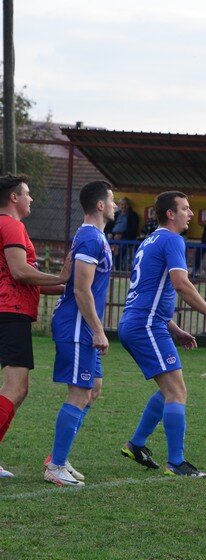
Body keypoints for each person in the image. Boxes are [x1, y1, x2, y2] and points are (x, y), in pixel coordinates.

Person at [118, 191, 206, 477]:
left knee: (169, 389)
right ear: (170, 214)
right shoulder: (172, 240)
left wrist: (174, 328)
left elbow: (150, 292)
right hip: (145, 325)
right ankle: (177, 462)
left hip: (143, 322)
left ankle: (136, 445)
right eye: (185, 208)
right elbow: (180, 283)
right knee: (177, 391)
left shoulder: (150, 240)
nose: (190, 214)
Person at [44, 181, 116, 487]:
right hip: (76, 326)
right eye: (111, 200)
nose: (115, 206)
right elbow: (80, 288)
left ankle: (59, 456)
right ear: (100, 205)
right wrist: (98, 330)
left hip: (82, 326)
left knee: (94, 388)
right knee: (79, 392)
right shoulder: (89, 237)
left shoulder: (94, 236)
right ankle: (55, 465)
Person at [0, 174, 70, 478]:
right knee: (16, 388)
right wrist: (61, 277)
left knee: (18, 389)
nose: (32, 199)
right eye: (28, 194)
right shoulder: (11, 224)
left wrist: (73, 286)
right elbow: (19, 272)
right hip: (10, 312)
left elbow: (27, 280)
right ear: (14, 197)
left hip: (10, 310)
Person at [105, 197, 139, 271]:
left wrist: (121, 235)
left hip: (125, 238)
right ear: (119, 205)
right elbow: (107, 227)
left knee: (122, 248)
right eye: (121, 204)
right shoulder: (115, 214)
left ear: (128, 206)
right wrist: (109, 233)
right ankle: (106, 267)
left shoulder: (133, 216)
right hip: (112, 237)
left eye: (125, 204)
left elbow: (133, 230)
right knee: (104, 245)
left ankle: (117, 269)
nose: (123, 206)